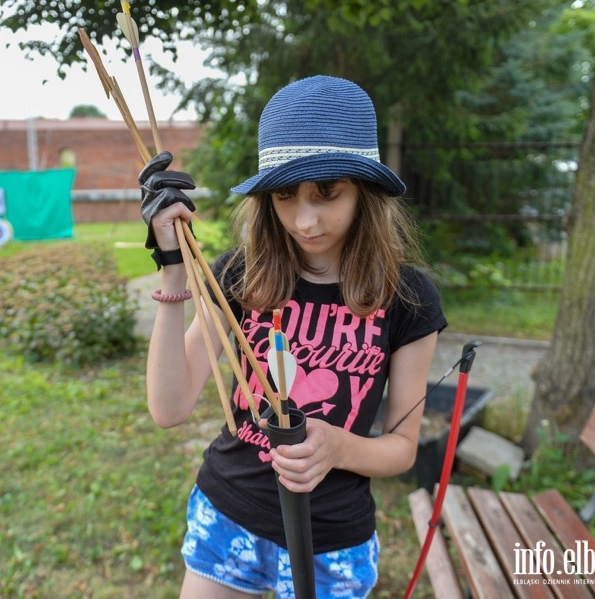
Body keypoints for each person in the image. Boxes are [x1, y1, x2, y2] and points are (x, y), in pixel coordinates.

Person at [139, 75, 448, 599]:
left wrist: (336, 446)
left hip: (331, 539)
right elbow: (170, 409)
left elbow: (400, 449)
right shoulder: (241, 275)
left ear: (364, 192)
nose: (305, 220)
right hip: (228, 513)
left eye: (327, 193)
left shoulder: (408, 297)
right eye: (285, 195)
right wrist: (173, 268)